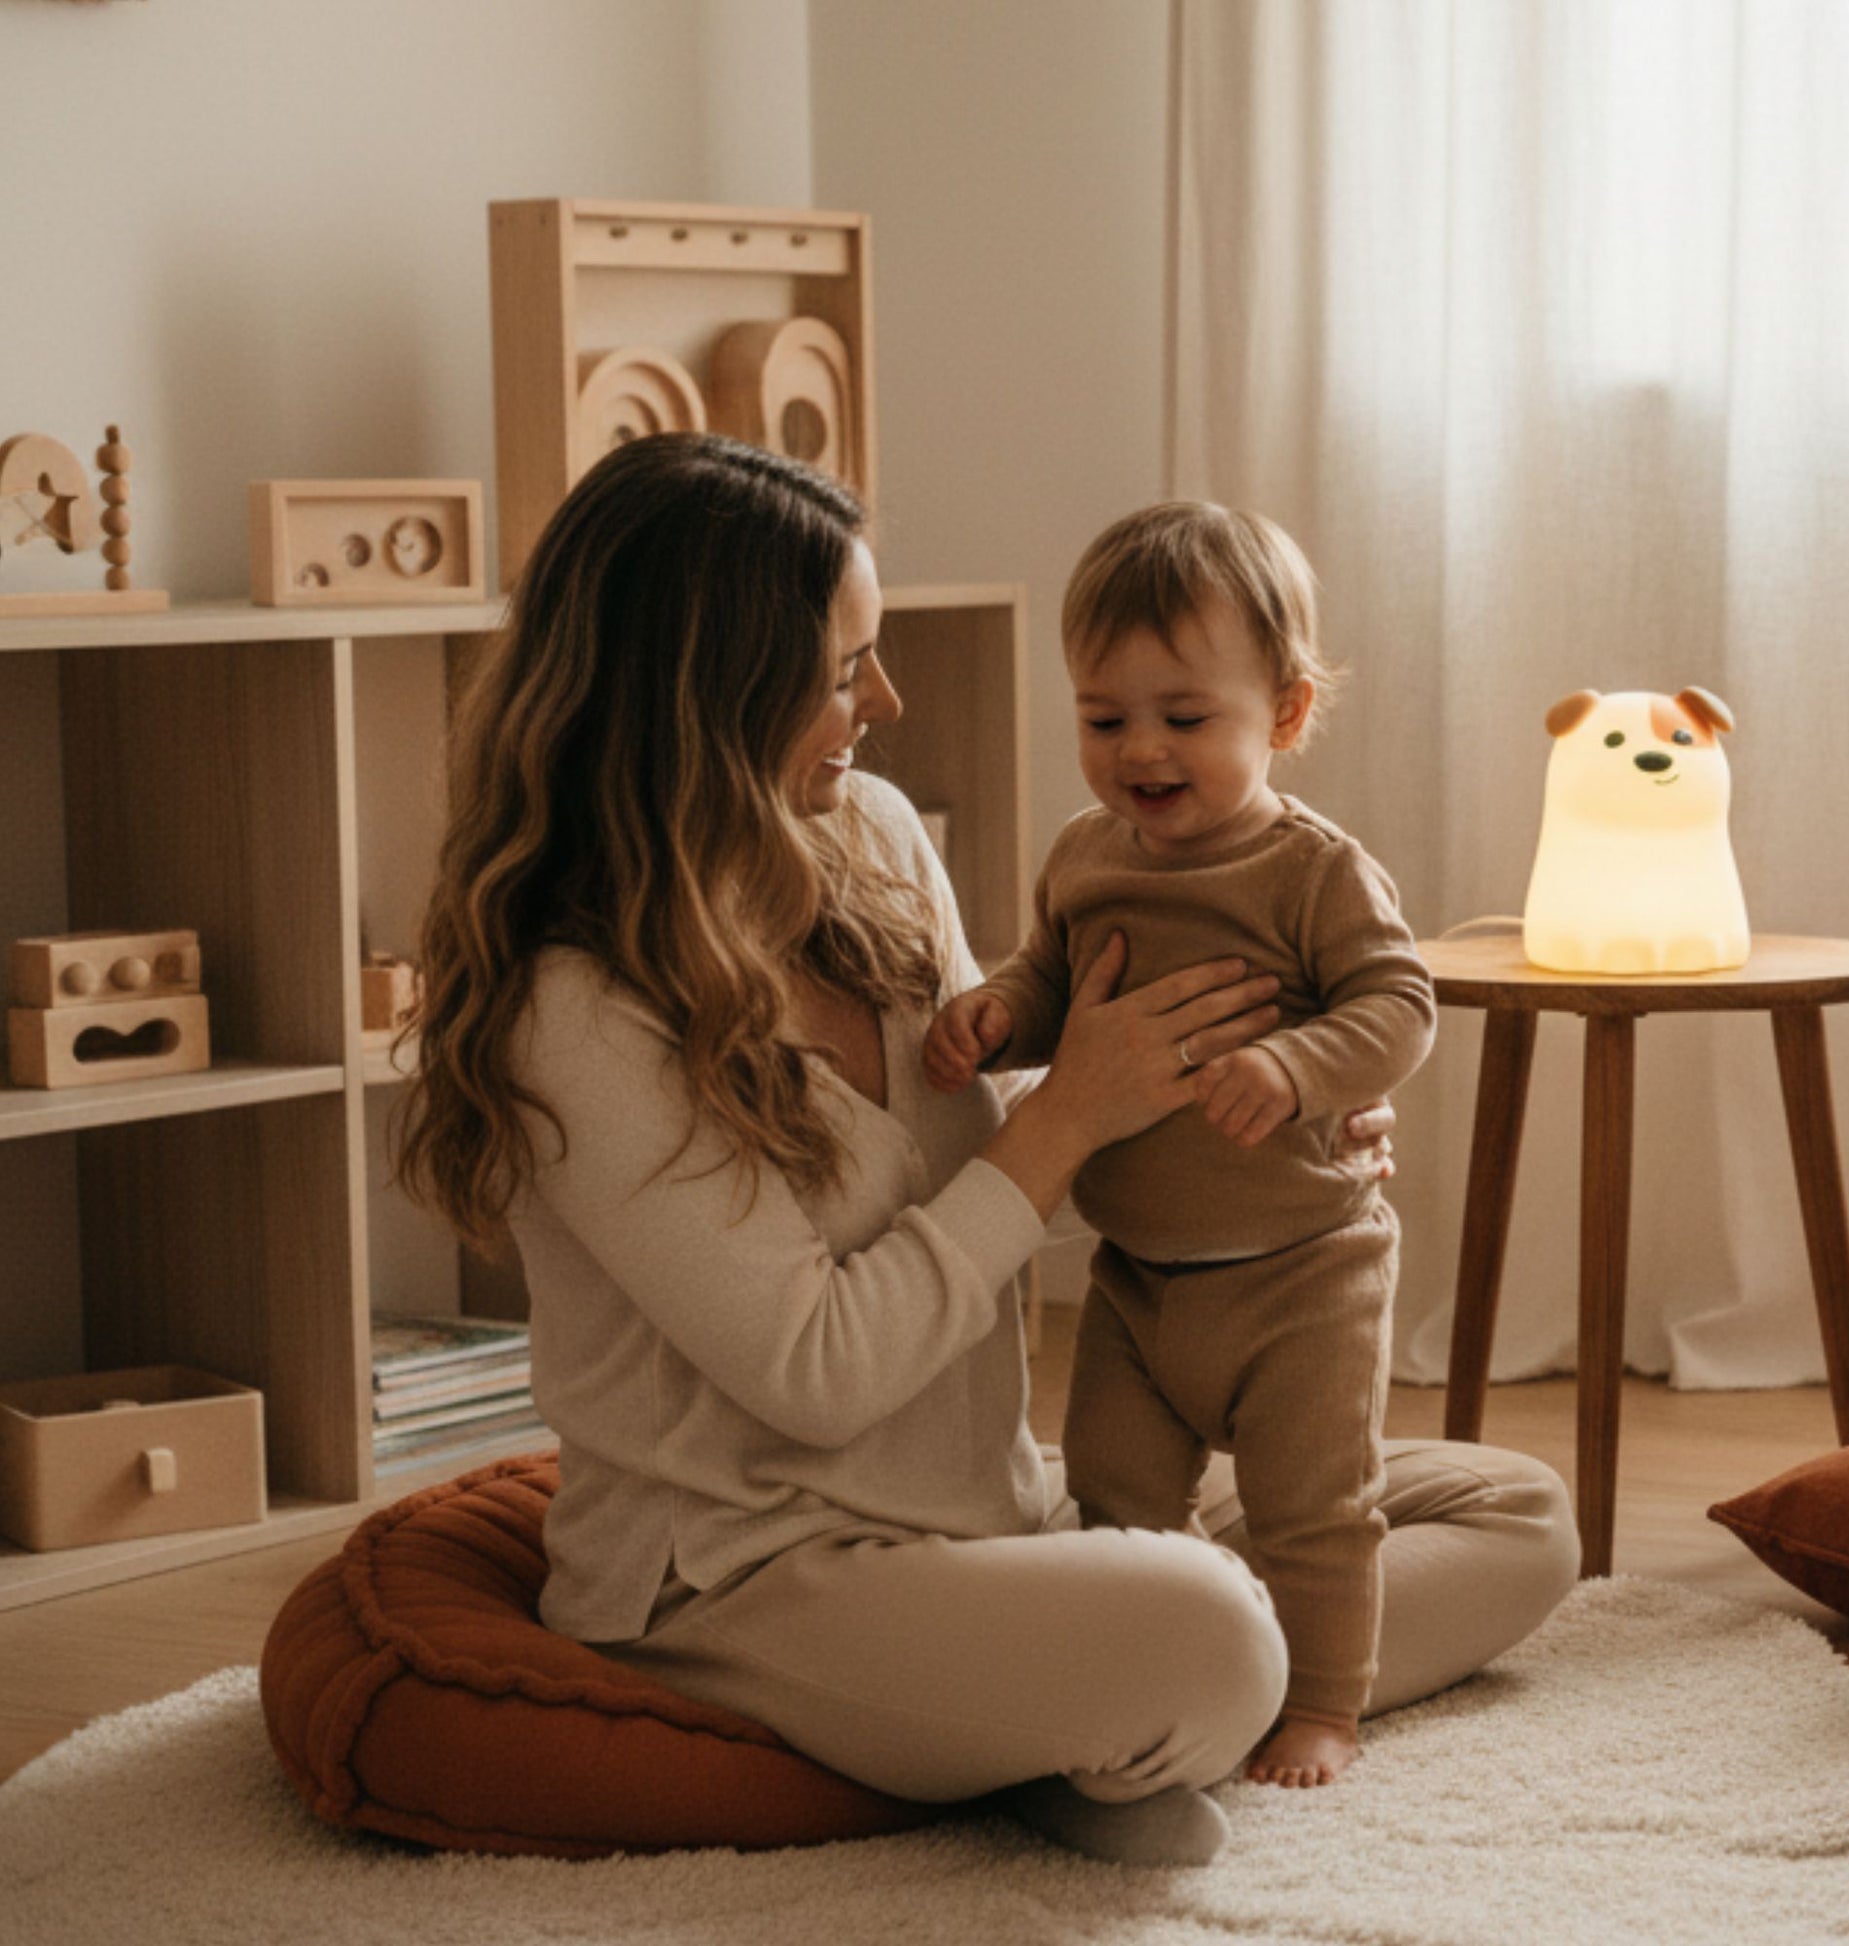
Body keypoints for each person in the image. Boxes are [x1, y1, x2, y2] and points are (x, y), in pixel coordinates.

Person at [397, 433, 1579, 1868]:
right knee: (1205, 1631)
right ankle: (1084, 1708)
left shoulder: (869, 836)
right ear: (708, 690)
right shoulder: (574, 1003)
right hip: (748, 1575)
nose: (881, 702)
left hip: (993, 1510)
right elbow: (819, 1369)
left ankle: (1055, 1712)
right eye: (843, 669)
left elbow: (1018, 1118)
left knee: (1517, 1514)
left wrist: (1249, 1104)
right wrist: (1073, 1111)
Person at [925, 502, 1431, 1790]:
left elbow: (1398, 1005)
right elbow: (1052, 977)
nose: (1140, 749)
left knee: (1317, 1511)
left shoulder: (1314, 873)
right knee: (1112, 1492)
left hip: (1302, 1271)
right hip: (1137, 1273)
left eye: (1184, 718)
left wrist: (1294, 1063)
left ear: (1288, 712)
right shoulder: (1087, 856)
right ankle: (1158, 1665)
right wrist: (997, 1015)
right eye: (1104, 719)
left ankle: (1320, 1705)